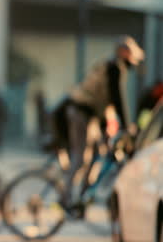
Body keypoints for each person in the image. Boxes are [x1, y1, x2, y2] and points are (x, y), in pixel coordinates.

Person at [60, 35, 145, 207]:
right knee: (81, 157)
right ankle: (66, 199)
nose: (132, 62)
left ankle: (82, 197)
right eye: (130, 55)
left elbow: (104, 101)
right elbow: (117, 99)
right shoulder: (115, 67)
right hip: (80, 112)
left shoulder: (109, 65)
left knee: (98, 151)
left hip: (88, 114)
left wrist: (108, 125)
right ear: (123, 52)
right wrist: (128, 126)